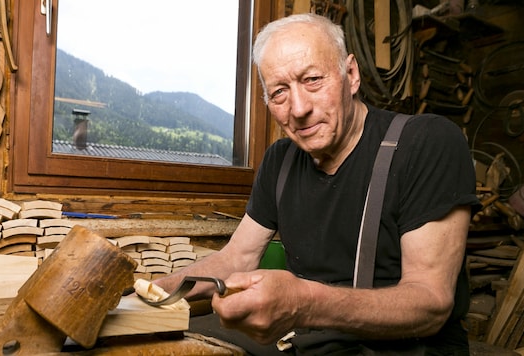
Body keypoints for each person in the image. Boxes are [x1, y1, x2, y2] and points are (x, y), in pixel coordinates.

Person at [155, 13, 479, 355]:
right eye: (279, 92)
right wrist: (152, 293)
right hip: (312, 340)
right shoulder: (280, 159)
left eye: (312, 80)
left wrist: (303, 302)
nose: (298, 108)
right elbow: (235, 258)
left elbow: (431, 303)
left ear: (350, 75)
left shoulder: (425, 143)